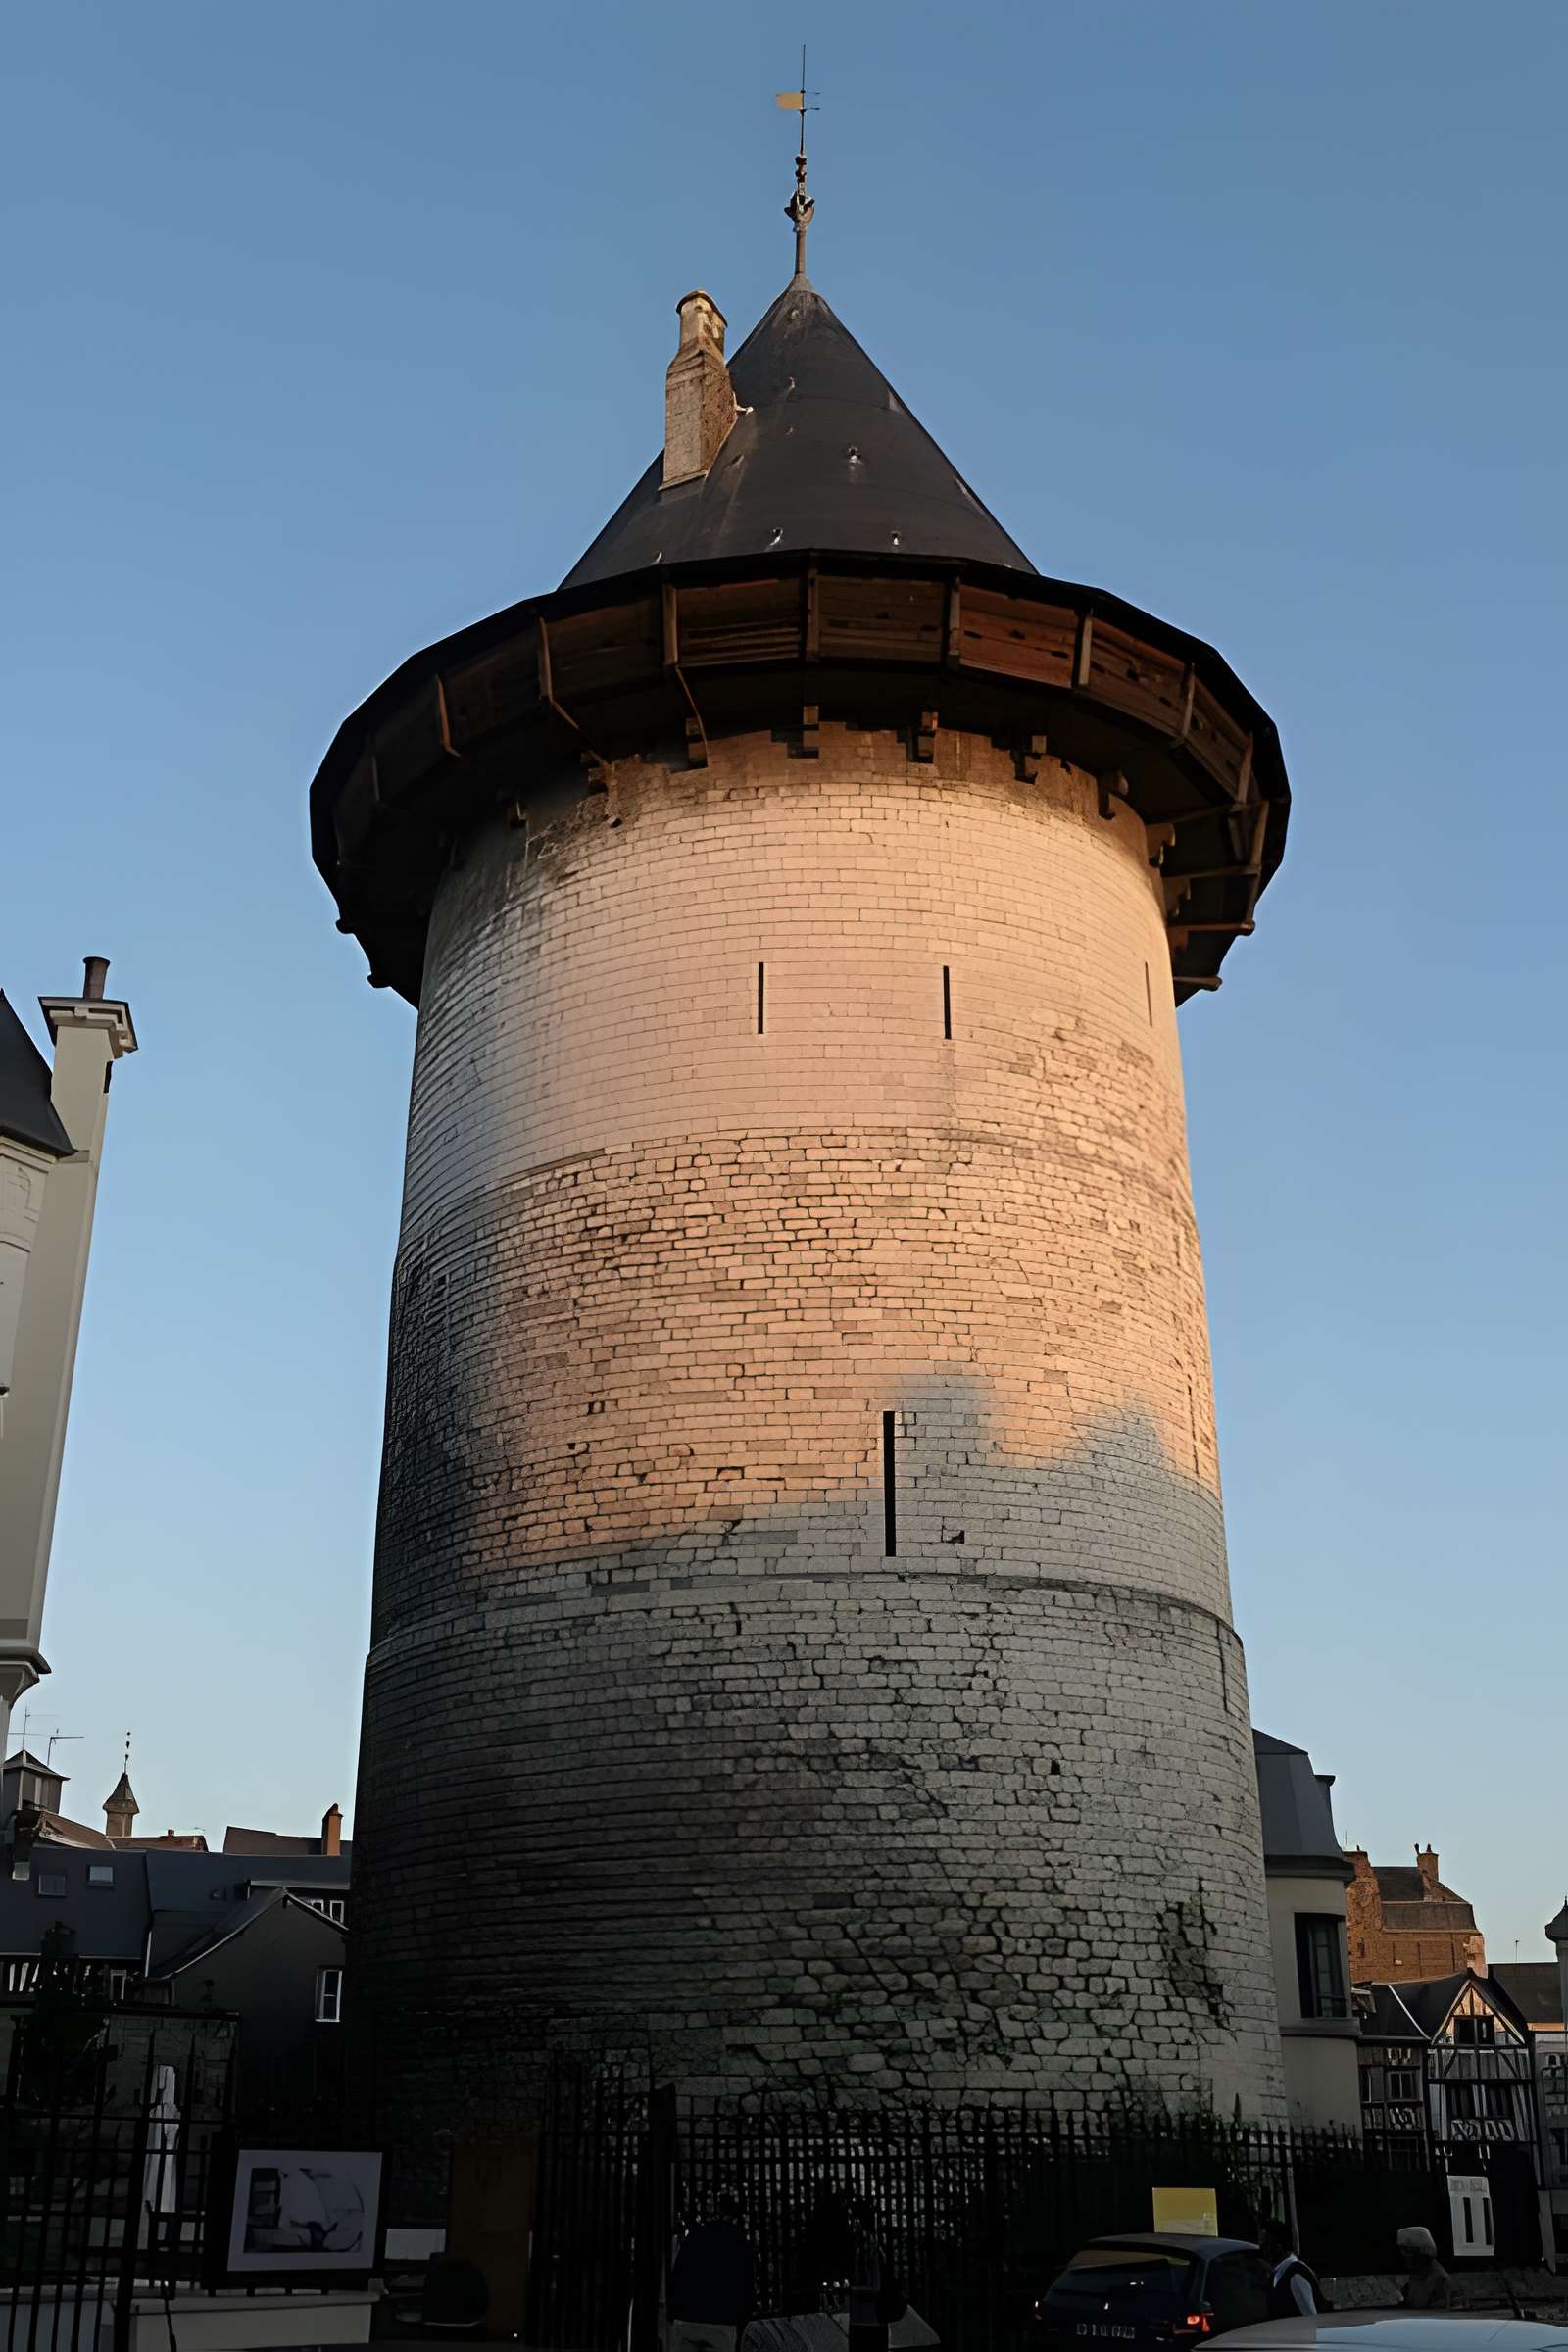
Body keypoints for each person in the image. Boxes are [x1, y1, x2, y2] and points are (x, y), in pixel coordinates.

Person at [668, 2193, 758, 2352]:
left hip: (687, 2316)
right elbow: (746, 2285)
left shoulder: (695, 2237)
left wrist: (674, 2311)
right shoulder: (739, 2242)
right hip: (722, 2320)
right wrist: (742, 2318)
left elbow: (678, 2274)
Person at [1259, 2219, 1321, 2318]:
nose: (1262, 2248)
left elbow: (1310, 2318)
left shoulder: (1296, 2273)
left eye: (1266, 2242)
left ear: (1279, 2246)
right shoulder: (1278, 2274)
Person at [1397, 2226, 1454, 2311]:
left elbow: (1439, 2314)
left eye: (1408, 2253)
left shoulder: (1439, 2280)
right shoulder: (1417, 2277)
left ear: (1420, 2253)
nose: (1405, 2259)